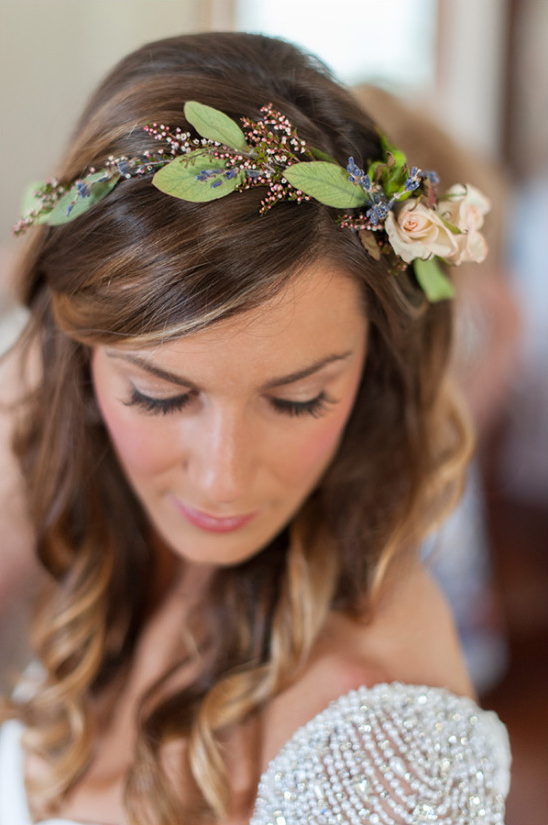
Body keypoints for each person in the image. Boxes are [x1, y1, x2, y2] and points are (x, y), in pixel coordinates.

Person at [0, 32, 510, 825]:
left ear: (372, 374)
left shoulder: (375, 737)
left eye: (300, 398)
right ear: (78, 367)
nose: (224, 479)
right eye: (162, 397)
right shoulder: (109, 552)